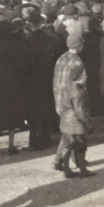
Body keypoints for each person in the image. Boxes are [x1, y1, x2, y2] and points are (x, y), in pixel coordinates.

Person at [0, 16, 28, 155]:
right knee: (12, 111)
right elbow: (21, 63)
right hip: (12, 79)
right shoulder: (15, 43)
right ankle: (10, 145)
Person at [23, 8, 64, 151]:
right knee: (47, 107)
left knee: (35, 112)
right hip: (48, 77)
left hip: (32, 79)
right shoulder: (51, 39)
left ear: (29, 24)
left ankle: (36, 141)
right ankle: (47, 138)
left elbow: (26, 62)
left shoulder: (27, 41)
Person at [55, 41, 95, 178]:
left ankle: (60, 163)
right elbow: (80, 111)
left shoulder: (61, 58)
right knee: (79, 143)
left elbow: (56, 81)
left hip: (63, 102)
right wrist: (88, 122)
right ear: (79, 46)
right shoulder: (77, 62)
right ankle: (81, 166)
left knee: (67, 139)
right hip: (75, 116)